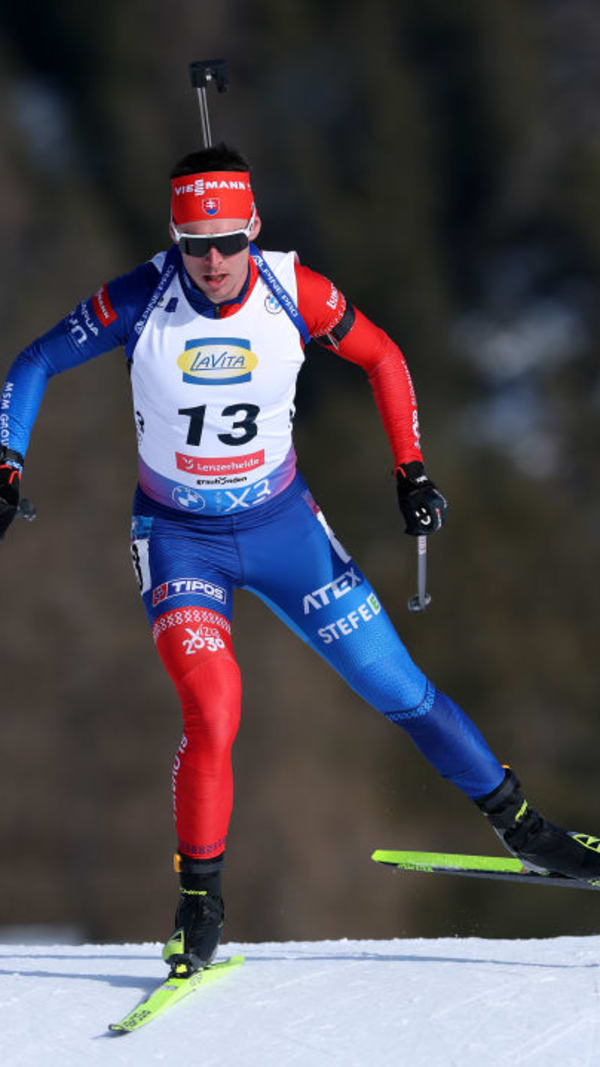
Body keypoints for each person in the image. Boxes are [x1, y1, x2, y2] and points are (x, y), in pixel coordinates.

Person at [2, 143, 600, 973]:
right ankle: (199, 903)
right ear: (174, 238)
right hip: (179, 539)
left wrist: (411, 469)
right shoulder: (141, 297)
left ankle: (525, 829)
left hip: (286, 529)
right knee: (214, 708)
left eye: (227, 242)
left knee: (400, 688)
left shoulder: (293, 289)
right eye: (195, 244)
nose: (213, 262)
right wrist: (8, 461)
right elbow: (35, 360)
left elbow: (382, 356)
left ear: (253, 228)